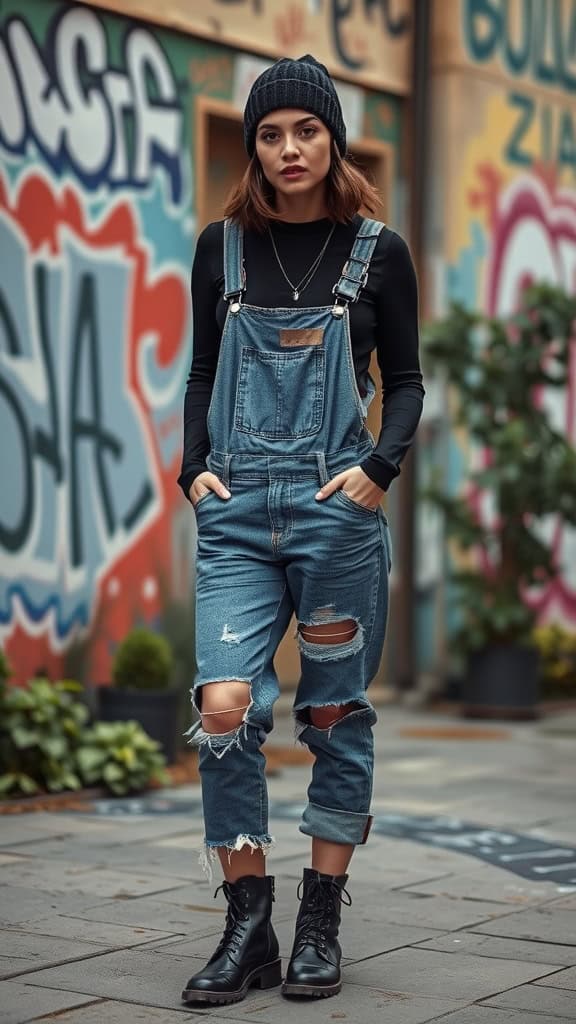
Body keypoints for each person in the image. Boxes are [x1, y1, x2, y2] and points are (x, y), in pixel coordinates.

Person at [177, 55, 424, 1006]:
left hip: (336, 517)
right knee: (227, 706)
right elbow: (203, 371)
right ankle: (249, 927)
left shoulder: (379, 250)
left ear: (333, 140)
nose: (288, 149)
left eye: (306, 131)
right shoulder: (222, 249)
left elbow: (404, 383)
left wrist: (377, 472)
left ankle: (320, 915)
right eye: (271, 134)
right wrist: (192, 468)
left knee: (332, 714)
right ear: (254, 147)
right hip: (235, 513)